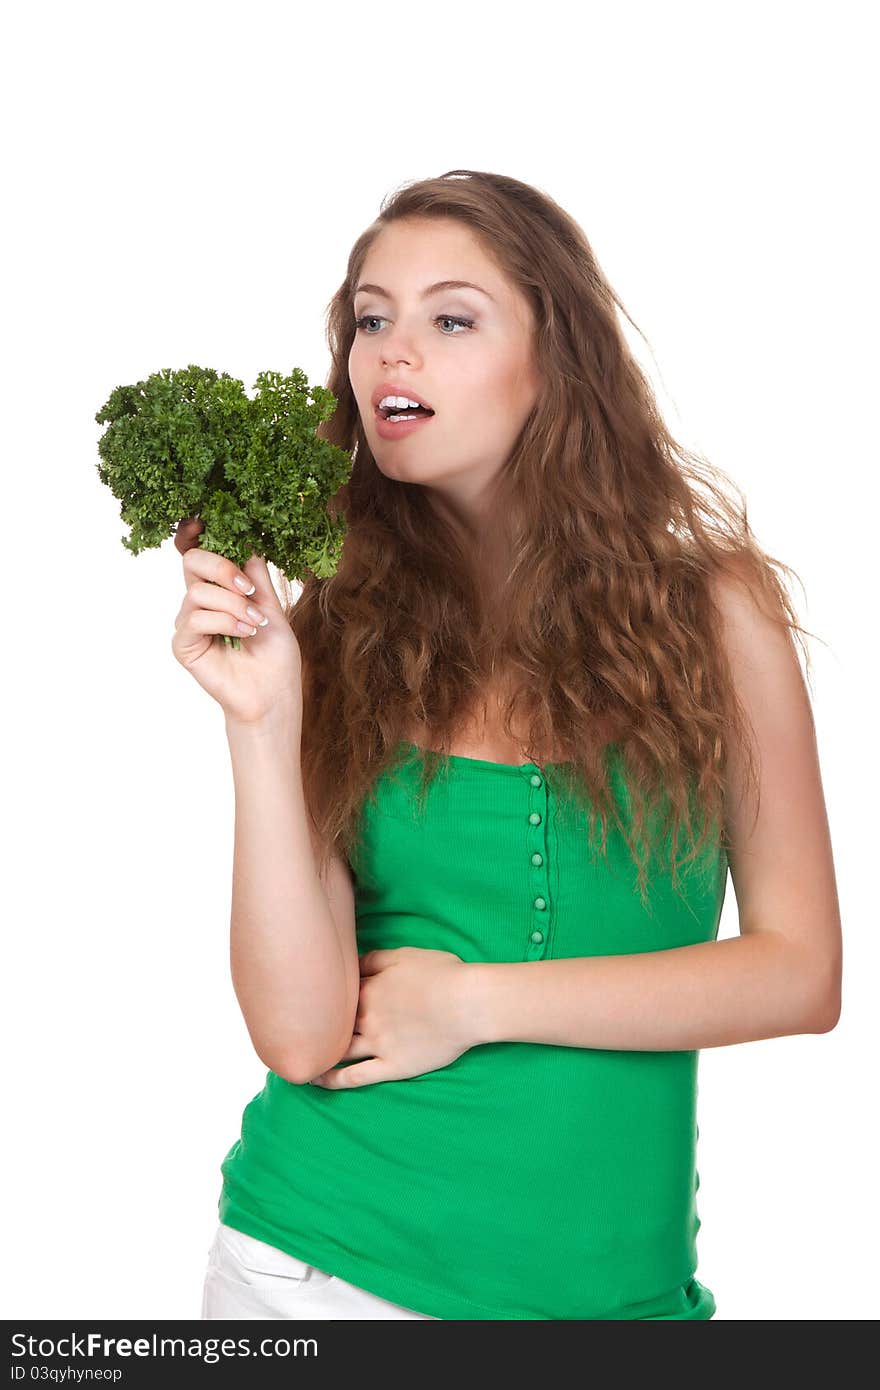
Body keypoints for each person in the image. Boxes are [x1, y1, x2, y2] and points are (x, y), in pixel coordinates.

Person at [172, 169, 842, 1320]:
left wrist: (475, 1002)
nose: (393, 352)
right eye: (370, 318)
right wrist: (263, 723)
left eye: (451, 318)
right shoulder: (327, 628)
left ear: (556, 360)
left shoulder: (715, 615)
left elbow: (800, 971)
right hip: (325, 1276)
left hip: (618, 1301)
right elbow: (297, 1032)